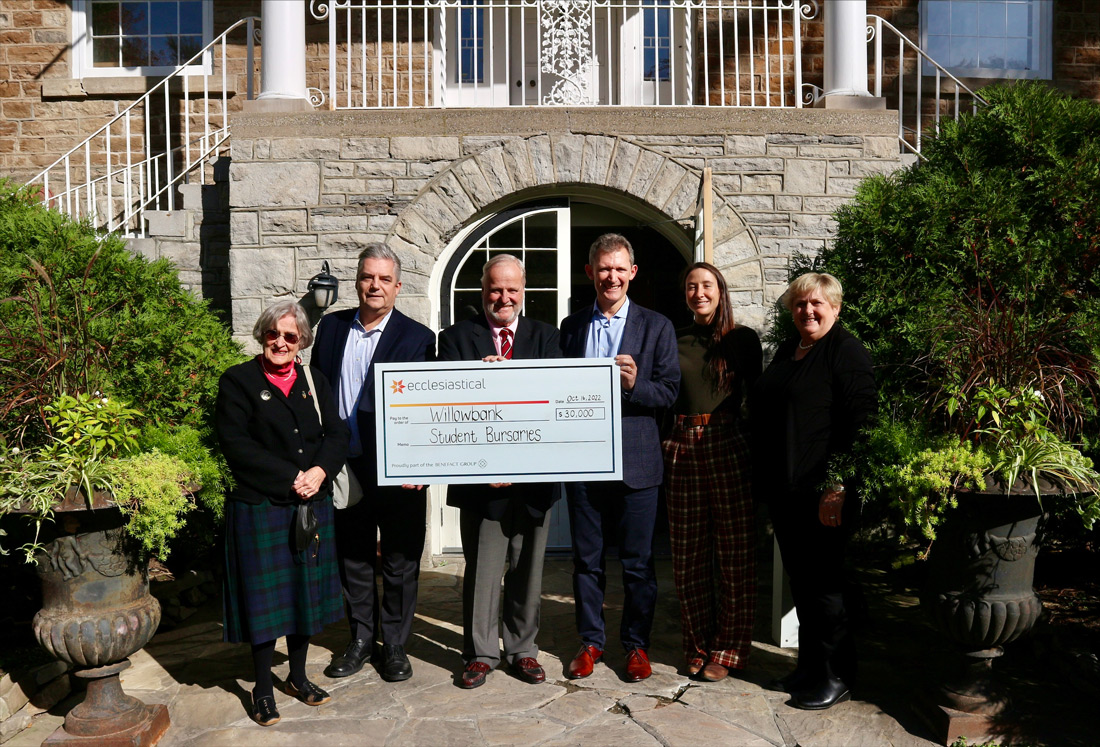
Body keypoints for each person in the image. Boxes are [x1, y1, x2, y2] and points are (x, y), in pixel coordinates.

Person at [217, 300, 349, 727]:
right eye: (273, 333)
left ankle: (296, 676)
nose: (280, 342)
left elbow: (338, 432)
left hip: (310, 504)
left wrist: (320, 470)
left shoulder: (315, 380)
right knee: (265, 604)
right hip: (261, 506)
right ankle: (261, 688)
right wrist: (293, 475)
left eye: (290, 336)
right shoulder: (237, 381)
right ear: (262, 335)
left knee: (303, 596)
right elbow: (237, 445)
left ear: (302, 341)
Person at [749, 272, 876, 710]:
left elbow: (863, 424)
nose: (807, 311)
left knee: (825, 588)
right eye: (800, 304)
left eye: (817, 304)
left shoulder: (845, 352)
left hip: (824, 495)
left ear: (836, 308)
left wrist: (839, 485)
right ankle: (809, 667)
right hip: (788, 493)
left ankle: (837, 675)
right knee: (803, 588)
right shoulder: (792, 349)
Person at [311, 243, 436, 683]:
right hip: (344, 466)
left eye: (384, 279)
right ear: (357, 280)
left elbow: (426, 409)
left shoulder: (419, 338)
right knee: (354, 557)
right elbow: (318, 397)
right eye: (368, 277)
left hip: (399, 470)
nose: (375, 286)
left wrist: (422, 467)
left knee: (401, 559)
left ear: (398, 286)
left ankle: (396, 646)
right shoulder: (329, 329)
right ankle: (362, 640)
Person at [438, 254, 563, 689]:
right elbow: (447, 408)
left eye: (511, 289)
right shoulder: (455, 340)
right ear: (483, 291)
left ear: (523, 291)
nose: (503, 297)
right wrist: (477, 376)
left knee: (528, 570)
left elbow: (553, 405)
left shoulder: (547, 337)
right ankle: (481, 653)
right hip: (481, 483)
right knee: (484, 571)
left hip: (535, 482)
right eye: (495, 288)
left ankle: (522, 650)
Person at [558, 233, 680, 682]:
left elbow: (668, 393)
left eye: (619, 268)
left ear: (632, 273)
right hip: (584, 461)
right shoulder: (570, 328)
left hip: (637, 462)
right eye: (602, 268)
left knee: (638, 562)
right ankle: (590, 642)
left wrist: (634, 385)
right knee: (586, 560)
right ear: (590, 273)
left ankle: (636, 646)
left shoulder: (657, 326)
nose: (611, 276)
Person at [663, 262, 761, 683]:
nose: (698, 292)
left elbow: (758, 402)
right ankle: (697, 646)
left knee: (735, 556)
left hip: (726, 444)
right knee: (688, 557)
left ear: (720, 291)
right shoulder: (673, 338)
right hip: (680, 445)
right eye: (691, 286)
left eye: (706, 285)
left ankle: (729, 650)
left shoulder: (742, 341)